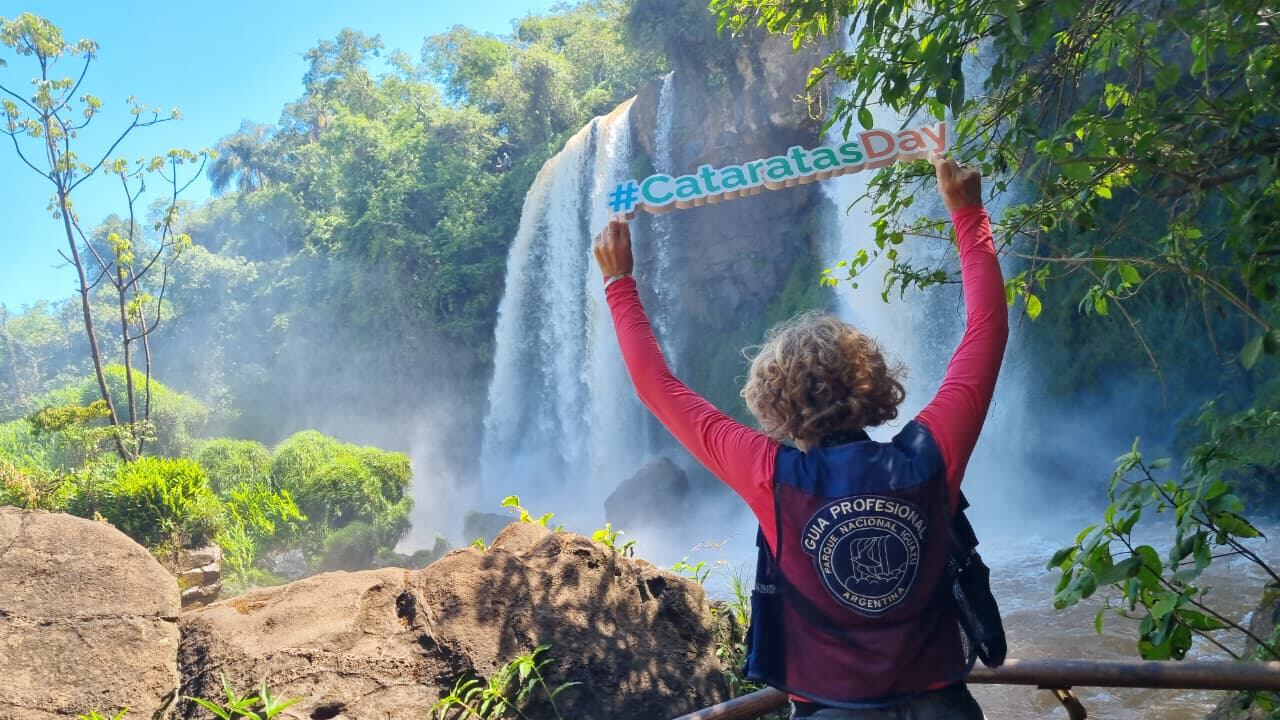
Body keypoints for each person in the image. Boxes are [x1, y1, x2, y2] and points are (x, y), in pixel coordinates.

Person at [593, 153, 1008, 718]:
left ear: (771, 399)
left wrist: (619, 282)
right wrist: (967, 212)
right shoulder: (929, 457)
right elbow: (987, 333)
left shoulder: (772, 475)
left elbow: (655, 386)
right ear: (875, 382)